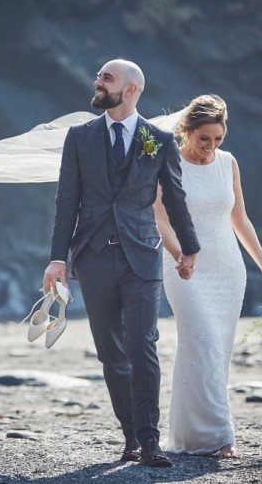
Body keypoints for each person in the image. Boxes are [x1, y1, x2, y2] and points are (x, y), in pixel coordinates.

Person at [42, 59, 200, 467]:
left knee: (142, 344)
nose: (96, 82)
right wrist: (57, 259)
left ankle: (150, 441)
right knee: (111, 352)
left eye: (106, 78)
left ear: (130, 89)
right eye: (98, 76)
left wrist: (190, 247)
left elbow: (176, 198)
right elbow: (66, 201)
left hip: (141, 255)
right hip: (93, 258)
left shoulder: (159, 140)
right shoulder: (79, 138)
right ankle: (130, 437)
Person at [154, 94, 262, 458]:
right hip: (184, 267)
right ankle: (220, 438)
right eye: (204, 139)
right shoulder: (167, 162)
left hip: (228, 268)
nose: (211, 147)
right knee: (203, 341)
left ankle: (189, 437)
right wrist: (179, 253)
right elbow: (160, 218)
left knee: (214, 349)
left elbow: (239, 219)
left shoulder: (228, 163)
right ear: (186, 131)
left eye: (218, 139)